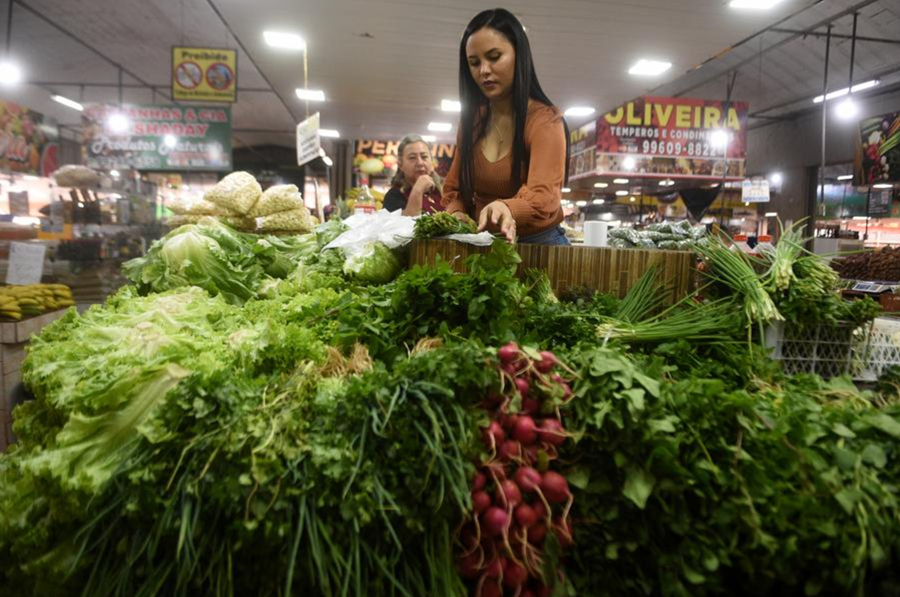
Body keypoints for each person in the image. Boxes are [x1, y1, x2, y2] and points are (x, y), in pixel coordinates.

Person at [442, 8, 570, 245]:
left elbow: (544, 197)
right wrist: (456, 212)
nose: (484, 71)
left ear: (519, 55)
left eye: (494, 57)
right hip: (483, 244)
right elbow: (454, 187)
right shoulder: (472, 122)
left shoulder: (545, 121)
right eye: (474, 62)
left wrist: (508, 207)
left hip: (540, 247)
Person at [383, 135, 444, 216]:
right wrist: (418, 190)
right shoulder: (393, 196)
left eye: (424, 157)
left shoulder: (442, 191)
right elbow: (405, 225)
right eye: (412, 158)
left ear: (431, 162)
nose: (420, 163)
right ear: (401, 165)